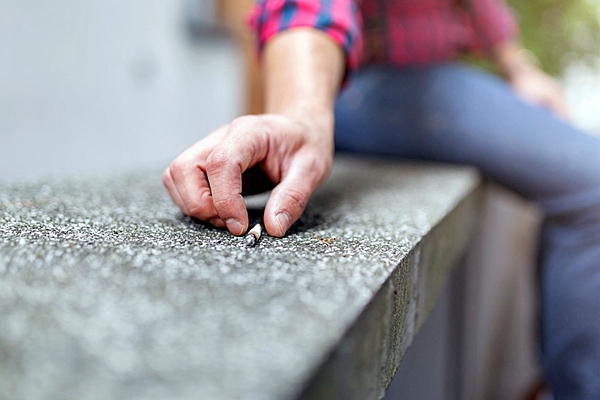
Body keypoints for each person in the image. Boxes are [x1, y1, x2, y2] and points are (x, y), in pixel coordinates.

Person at [162, 0, 600, 397]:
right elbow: (310, 7)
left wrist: (518, 67)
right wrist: (300, 115)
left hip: (441, 77)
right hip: (365, 82)